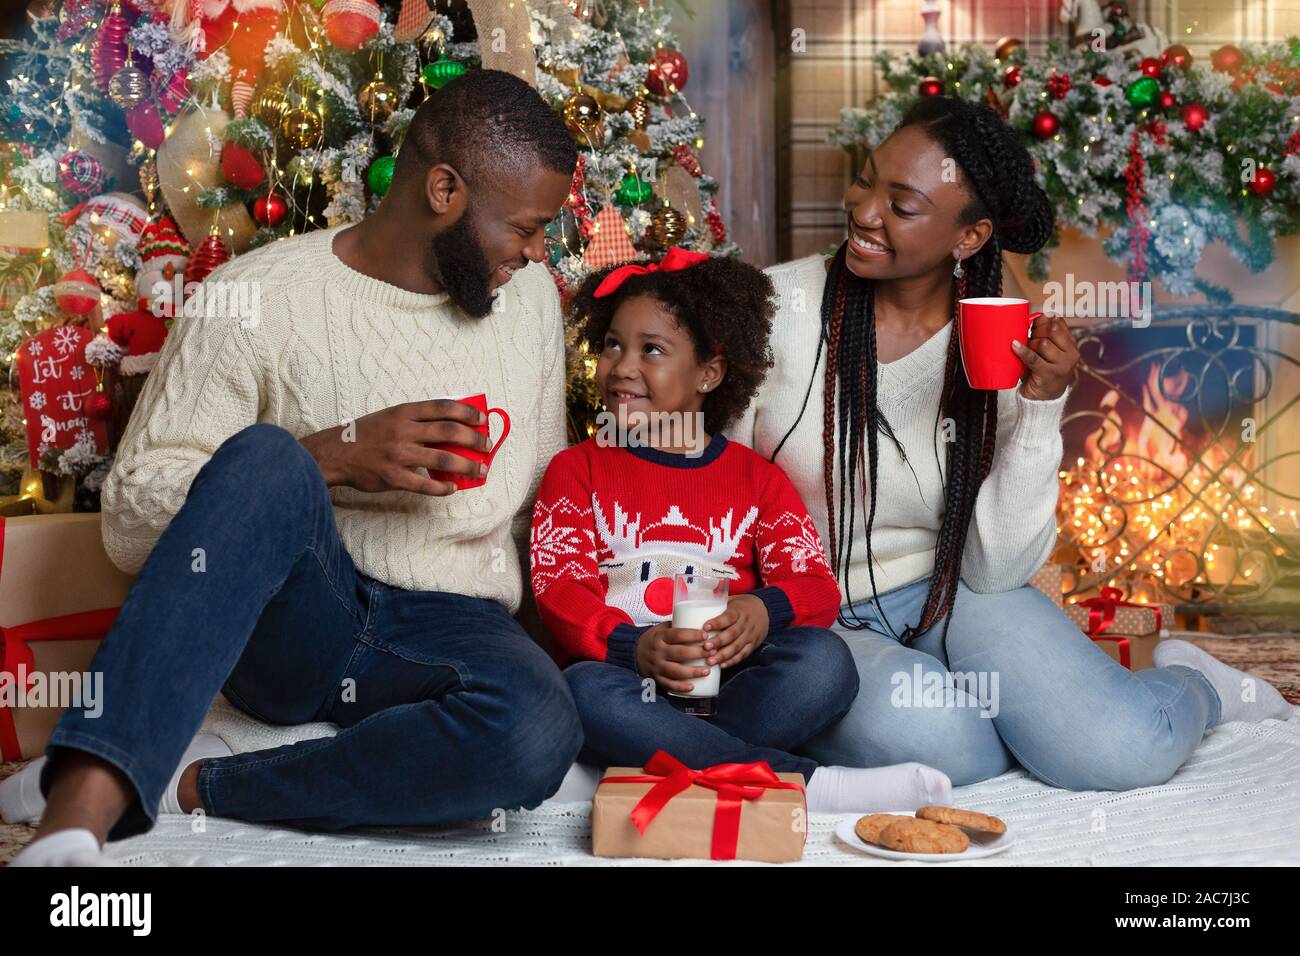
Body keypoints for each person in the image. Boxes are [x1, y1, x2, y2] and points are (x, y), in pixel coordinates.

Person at [11, 69, 585, 866]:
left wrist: (569, 667)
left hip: (454, 631)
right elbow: (131, 518)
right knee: (271, 459)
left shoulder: (531, 305)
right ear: (445, 190)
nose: (536, 253)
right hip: (296, 625)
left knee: (535, 731)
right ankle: (77, 809)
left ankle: (197, 784)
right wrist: (334, 455)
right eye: (526, 228)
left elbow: (542, 504)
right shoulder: (255, 295)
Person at [727, 95, 1292, 792]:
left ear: (969, 238)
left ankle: (1193, 685)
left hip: (953, 591)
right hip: (812, 613)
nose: (864, 209)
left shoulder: (998, 339)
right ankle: (990, 707)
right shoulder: (769, 310)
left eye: (902, 206)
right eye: (867, 179)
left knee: (1121, 751)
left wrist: (1039, 405)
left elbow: (995, 570)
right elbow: (713, 501)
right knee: (950, 748)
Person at [530, 249, 952, 814]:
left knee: (824, 663)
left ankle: (630, 766)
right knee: (580, 690)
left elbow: (816, 587)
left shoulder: (756, 479)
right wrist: (632, 646)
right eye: (612, 343)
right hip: (625, 682)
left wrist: (762, 612)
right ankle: (805, 785)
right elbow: (559, 590)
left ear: (710, 372)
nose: (622, 366)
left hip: (728, 686)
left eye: (651, 349)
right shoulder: (576, 469)